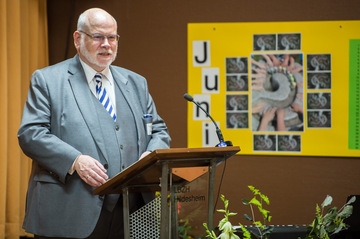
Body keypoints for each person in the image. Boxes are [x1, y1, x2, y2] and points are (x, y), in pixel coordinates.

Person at [17, 8, 171, 239]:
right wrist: (75, 160)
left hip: (131, 211)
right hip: (69, 208)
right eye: (98, 37)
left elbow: (158, 130)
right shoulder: (47, 80)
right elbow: (31, 133)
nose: (107, 44)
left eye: (112, 37)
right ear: (78, 39)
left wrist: (150, 155)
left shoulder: (136, 83)